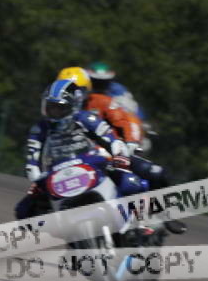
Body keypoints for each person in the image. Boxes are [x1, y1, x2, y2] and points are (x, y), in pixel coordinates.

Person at [56, 66, 184, 234]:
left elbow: (124, 121)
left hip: (109, 155)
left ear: (85, 90)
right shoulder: (54, 114)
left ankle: (165, 214)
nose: (69, 94)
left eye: (74, 90)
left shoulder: (103, 101)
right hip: (75, 162)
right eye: (64, 89)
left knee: (155, 173)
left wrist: (129, 143)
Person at [16, 78, 142, 221]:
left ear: (73, 106)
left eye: (60, 107)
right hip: (58, 172)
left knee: (131, 182)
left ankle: (141, 221)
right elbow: (32, 157)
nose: (54, 111)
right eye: (51, 107)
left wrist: (119, 155)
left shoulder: (86, 118)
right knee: (23, 210)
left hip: (93, 162)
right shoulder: (40, 128)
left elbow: (110, 138)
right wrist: (37, 178)